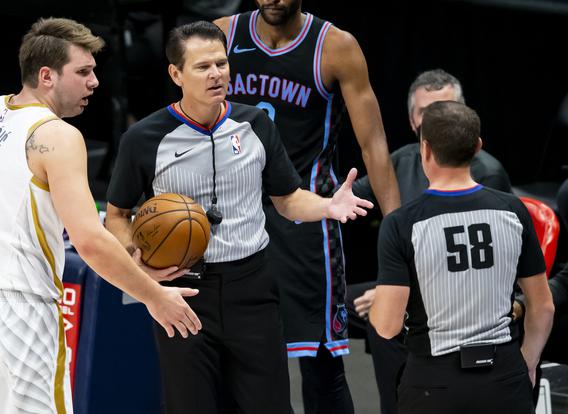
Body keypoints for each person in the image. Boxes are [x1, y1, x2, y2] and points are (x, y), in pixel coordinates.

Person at [0, 17, 202, 414]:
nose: (94, 82)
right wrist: (154, 298)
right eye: (83, 71)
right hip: (16, 313)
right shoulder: (57, 136)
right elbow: (89, 241)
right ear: (46, 75)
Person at [105, 21, 374, 414]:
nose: (216, 74)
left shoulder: (256, 124)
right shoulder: (145, 138)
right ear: (176, 74)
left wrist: (327, 206)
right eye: (202, 67)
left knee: (269, 405)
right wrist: (136, 258)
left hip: (252, 286)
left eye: (222, 63)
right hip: (184, 291)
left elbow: (287, 199)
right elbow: (117, 215)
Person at [213, 2, 400, 412]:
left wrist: (399, 230)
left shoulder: (335, 47)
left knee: (322, 366)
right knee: (231, 363)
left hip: (306, 220)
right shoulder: (221, 35)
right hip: (232, 217)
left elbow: (373, 144)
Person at [369, 100, 554, 414]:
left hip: (433, 383)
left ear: (424, 150)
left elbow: (387, 326)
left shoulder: (402, 224)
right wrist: (528, 362)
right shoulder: (513, 209)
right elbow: (543, 305)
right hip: (504, 377)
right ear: (478, 147)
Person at [347, 68, 514, 414]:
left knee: (385, 323)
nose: (438, 120)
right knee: (327, 298)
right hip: (407, 289)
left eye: (446, 109)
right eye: (427, 112)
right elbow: (352, 199)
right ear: (412, 121)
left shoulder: (487, 176)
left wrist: (396, 294)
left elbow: (478, 270)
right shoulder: (400, 161)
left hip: (465, 297)